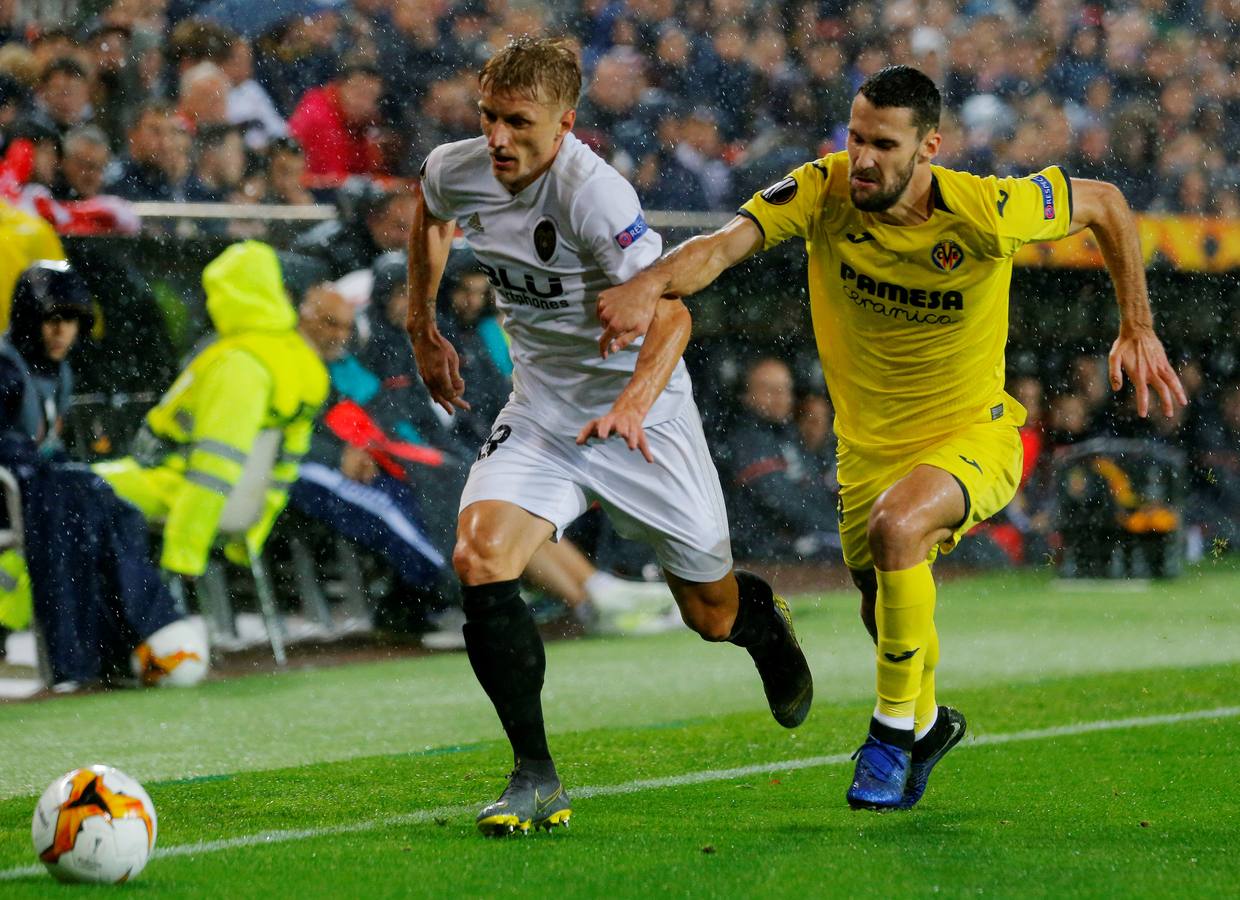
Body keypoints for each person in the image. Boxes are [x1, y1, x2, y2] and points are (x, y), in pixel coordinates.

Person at [597, 65, 1187, 811]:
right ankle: (930, 723)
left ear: (929, 147)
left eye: (883, 143)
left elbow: (1104, 202)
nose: (863, 158)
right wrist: (648, 285)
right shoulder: (822, 188)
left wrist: (1137, 324)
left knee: (898, 525)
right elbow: (721, 244)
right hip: (868, 450)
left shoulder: (985, 209)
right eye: (855, 136)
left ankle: (888, 737)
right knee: (884, 612)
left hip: (973, 433)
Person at [406, 36, 811, 836]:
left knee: (710, 614)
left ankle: (761, 622)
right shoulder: (459, 166)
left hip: (644, 417)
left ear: (565, 123)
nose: (497, 138)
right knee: (480, 556)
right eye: (488, 116)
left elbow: (674, 313)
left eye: (518, 122)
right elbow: (429, 212)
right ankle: (534, 775)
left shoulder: (596, 198)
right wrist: (422, 322)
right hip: (544, 413)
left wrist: (630, 403)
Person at [95, 241, 328, 582]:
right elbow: (284, 468)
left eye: (215, 292)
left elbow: (214, 466)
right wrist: (253, 531)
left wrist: (184, 553)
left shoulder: (238, 364)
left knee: (60, 495)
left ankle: (10, 615)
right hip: (237, 509)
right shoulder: (302, 362)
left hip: (169, 485)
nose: (209, 302)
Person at [0, 259, 92, 455]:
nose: (61, 331)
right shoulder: (5, 371)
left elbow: (49, 452)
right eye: (51, 318)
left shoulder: (60, 371)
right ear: (27, 320)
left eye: (70, 319)